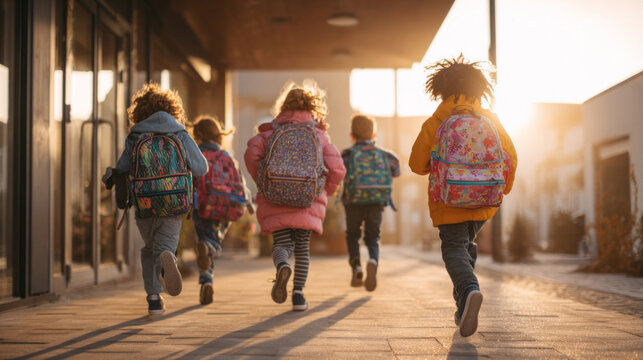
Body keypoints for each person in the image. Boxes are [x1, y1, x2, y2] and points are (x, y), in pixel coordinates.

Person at [408, 55, 517, 337]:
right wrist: (503, 188)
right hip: (484, 200)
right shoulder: (491, 119)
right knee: (466, 246)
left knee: (453, 247)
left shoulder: (437, 121)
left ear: (441, 89)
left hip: (449, 200)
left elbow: (416, 164)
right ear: (481, 89)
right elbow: (510, 157)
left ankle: (469, 290)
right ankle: (462, 309)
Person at [244, 82, 346, 311]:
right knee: (302, 249)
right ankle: (298, 295)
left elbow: (251, 153)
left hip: (275, 196)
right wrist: (324, 191)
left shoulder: (271, 132)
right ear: (312, 107)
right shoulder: (319, 135)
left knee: (282, 243)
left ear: (284, 106)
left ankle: (281, 266)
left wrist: (262, 181)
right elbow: (338, 168)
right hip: (307, 198)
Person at [111, 83, 208, 315]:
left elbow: (122, 168)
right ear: (171, 109)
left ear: (139, 112)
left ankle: (154, 297)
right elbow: (201, 168)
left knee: (148, 248)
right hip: (174, 200)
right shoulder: (180, 133)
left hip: (144, 201)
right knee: (164, 246)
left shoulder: (136, 135)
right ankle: (168, 261)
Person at [191, 115, 254, 305]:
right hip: (226, 205)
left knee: (204, 237)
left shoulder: (197, 155)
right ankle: (207, 281)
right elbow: (239, 182)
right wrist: (249, 202)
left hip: (202, 204)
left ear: (198, 137)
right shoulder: (227, 157)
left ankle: (206, 273)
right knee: (215, 236)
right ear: (218, 136)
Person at [341, 114, 400, 291]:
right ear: (373, 135)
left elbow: (338, 172)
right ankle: (373, 260)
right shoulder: (386, 155)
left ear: (352, 135)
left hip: (353, 200)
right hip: (377, 201)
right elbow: (396, 171)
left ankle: (357, 267)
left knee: (353, 235)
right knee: (372, 237)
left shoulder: (347, 154)